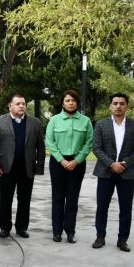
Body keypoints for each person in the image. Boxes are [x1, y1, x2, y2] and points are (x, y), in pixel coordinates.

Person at [92, 93, 134, 252]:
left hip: (126, 172)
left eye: (122, 103)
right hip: (105, 172)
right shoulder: (101, 125)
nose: (118, 106)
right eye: (115, 103)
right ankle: (100, 236)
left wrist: (125, 163)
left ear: (127, 106)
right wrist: (111, 164)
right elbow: (96, 148)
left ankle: (123, 240)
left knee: (126, 208)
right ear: (110, 106)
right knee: (102, 206)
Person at [0, 94, 45, 239]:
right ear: (10, 106)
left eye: (23, 103)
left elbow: (41, 146)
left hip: (27, 168)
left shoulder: (35, 123)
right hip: (6, 168)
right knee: (5, 199)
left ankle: (21, 227)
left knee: (25, 199)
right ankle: (5, 228)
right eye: (18, 103)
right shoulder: (0, 121)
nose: (21, 106)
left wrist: (39, 168)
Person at [45, 90, 93, 243]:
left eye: (73, 100)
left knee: (72, 199)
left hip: (77, 164)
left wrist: (77, 160)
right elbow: (50, 142)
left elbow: (89, 143)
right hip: (58, 163)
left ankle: (70, 231)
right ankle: (57, 231)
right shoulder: (54, 120)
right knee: (58, 198)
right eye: (67, 100)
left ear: (77, 103)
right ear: (62, 103)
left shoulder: (85, 121)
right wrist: (61, 160)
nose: (70, 103)